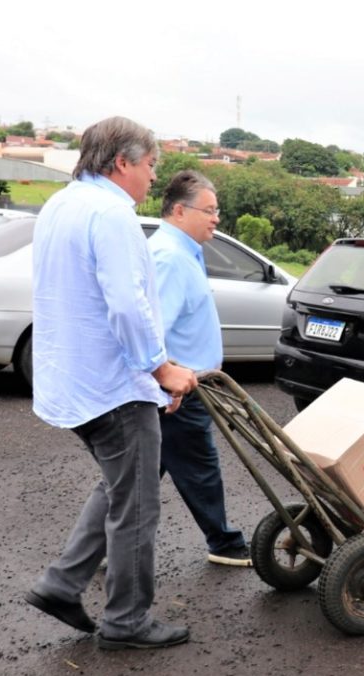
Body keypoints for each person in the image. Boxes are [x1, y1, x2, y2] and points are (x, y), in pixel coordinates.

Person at [24, 116, 198, 651]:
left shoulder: (61, 204)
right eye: (150, 166)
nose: (152, 179)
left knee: (120, 488)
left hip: (72, 382)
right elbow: (126, 302)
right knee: (138, 503)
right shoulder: (111, 215)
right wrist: (160, 368)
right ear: (122, 163)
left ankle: (61, 584)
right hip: (111, 386)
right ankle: (127, 620)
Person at [149, 170, 251, 566]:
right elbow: (154, 330)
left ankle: (96, 545)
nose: (216, 218)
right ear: (179, 210)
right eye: (208, 210)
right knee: (199, 466)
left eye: (217, 210)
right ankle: (224, 543)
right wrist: (167, 382)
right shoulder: (170, 258)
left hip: (185, 384)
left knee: (138, 473)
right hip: (181, 387)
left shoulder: (183, 251)